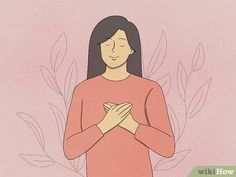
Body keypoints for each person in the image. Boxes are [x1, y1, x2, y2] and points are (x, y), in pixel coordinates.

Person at [63, 15, 175, 177]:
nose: (113, 50)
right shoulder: (83, 90)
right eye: (107, 44)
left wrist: (131, 125)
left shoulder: (150, 89)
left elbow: (168, 147)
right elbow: (70, 149)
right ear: (98, 47)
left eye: (121, 44)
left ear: (131, 49)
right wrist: (105, 125)